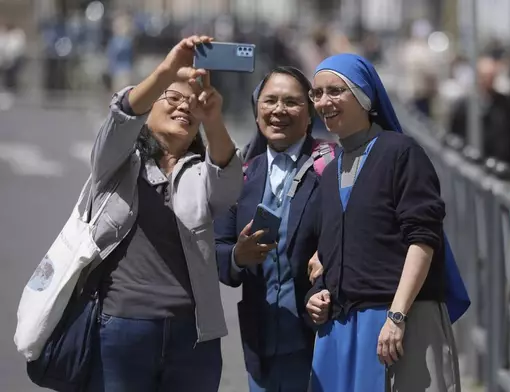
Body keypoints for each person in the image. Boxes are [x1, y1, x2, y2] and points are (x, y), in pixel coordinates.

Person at [86, 35, 242, 391]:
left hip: (194, 337)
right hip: (123, 327)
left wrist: (213, 118)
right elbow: (121, 116)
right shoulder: (119, 162)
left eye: (192, 105)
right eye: (173, 98)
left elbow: (229, 183)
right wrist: (167, 70)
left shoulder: (200, 170)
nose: (184, 107)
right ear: (148, 111)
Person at [305, 53, 469, 392]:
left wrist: (397, 316)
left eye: (336, 91)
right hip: (343, 328)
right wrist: (318, 293)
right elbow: (336, 247)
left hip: (398, 324)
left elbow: (423, 239)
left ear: (364, 96)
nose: (324, 101)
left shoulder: (401, 153)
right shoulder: (330, 168)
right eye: (317, 93)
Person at [215, 66, 330, 391]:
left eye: (291, 102)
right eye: (270, 101)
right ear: (256, 111)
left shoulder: (330, 167)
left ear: (310, 114)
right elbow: (216, 248)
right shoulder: (242, 174)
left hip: (318, 338)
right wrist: (238, 255)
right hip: (261, 340)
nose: (279, 110)